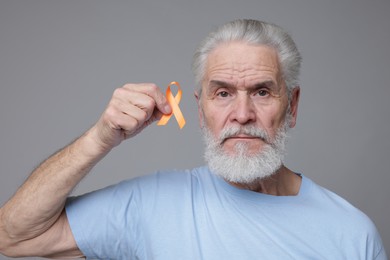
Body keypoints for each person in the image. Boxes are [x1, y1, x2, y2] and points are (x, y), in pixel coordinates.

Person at [0, 19, 386, 259]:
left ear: (293, 106)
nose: (242, 113)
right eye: (222, 93)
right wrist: (99, 139)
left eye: (263, 92)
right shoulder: (152, 205)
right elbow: (13, 236)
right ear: (200, 111)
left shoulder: (352, 235)